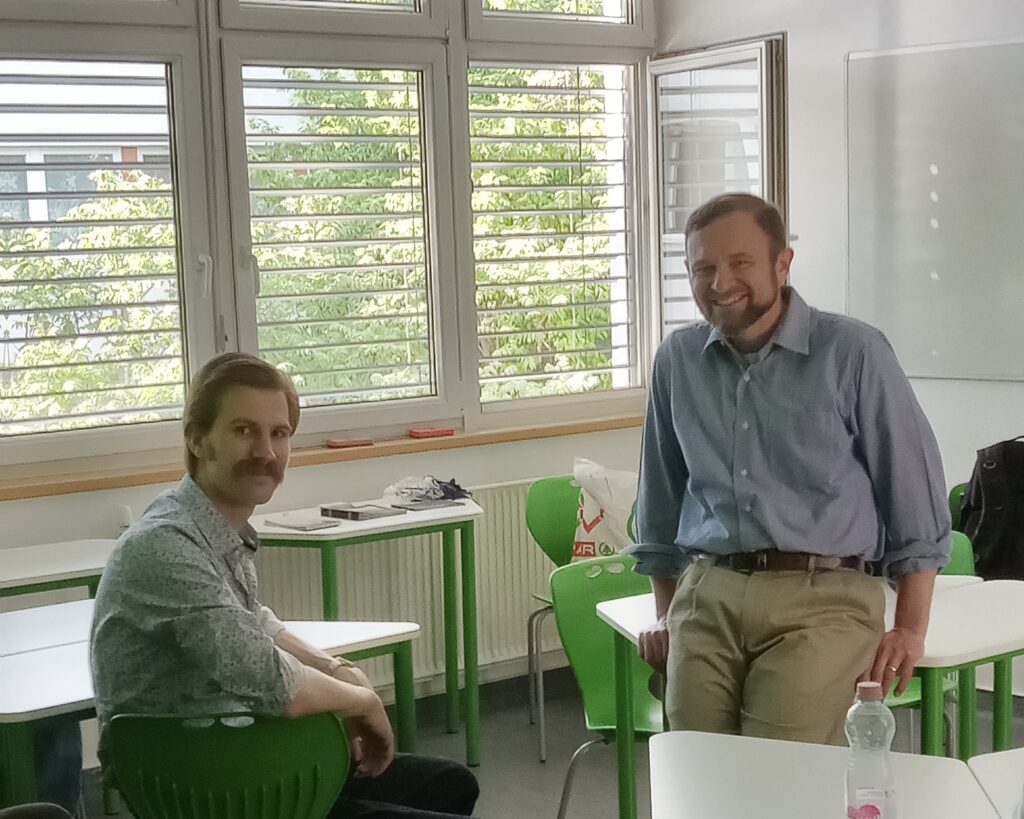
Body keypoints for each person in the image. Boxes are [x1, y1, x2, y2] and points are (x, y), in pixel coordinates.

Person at [90, 353, 479, 818]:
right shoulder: (164, 545)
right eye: (243, 430)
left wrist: (333, 669)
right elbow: (273, 682)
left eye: (279, 434)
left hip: (249, 758)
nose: (266, 452)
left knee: (449, 785)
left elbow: (251, 619)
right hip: (207, 787)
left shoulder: (211, 527)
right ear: (198, 439)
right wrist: (363, 700)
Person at [632, 193, 951, 744]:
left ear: (782, 264)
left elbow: (913, 497)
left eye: (740, 263)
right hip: (708, 591)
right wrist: (667, 614)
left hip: (825, 596)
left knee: (778, 776)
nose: (719, 282)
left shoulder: (854, 353)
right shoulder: (677, 360)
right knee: (698, 772)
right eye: (702, 268)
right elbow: (660, 501)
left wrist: (909, 629)